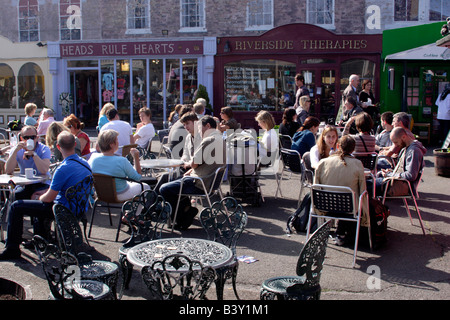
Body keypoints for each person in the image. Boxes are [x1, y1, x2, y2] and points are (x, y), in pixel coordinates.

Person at [0, 131, 92, 260]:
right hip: (78, 207)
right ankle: (40, 239)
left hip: (62, 210)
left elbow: (48, 198)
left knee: (16, 206)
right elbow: (62, 188)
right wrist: (42, 193)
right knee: (36, 201)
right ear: (75, 144)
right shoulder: (84, 163)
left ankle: (12, 249)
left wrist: (38, 197)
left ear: (58, 147)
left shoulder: (63, 168)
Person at [159, 115, 225, 230]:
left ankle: (181, 216)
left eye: (200, 128)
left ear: (208, 126)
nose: (199, 131)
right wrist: (191, 168)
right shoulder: (220, 138)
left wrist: (190, 166)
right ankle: (185, 211)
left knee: (164, 188)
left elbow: (194, 163)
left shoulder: (209, 140)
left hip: (199, 182)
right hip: (207, 180)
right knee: (168, 180)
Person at [314, 134, 369, 246]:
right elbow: (362, 191)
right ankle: (345, 233)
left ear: (338, 146)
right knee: (353, 197)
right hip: (349, 208)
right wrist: (365, 217)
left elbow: (316, 186)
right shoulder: (357, 164)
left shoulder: (323, 162)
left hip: (325, 205)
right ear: (353, 149)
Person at [91, 129, 150, 202]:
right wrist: (136, 158)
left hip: (100, 194)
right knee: (145, 187)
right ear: (111, 144)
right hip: (120, 194)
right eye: (117, 140)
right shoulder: (121, 161)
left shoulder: (93, 158)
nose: (118, 142)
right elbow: (137, 178)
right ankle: (137, 213)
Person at [375, 127, 425, 197]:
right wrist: (391, 172)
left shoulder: (413, 151)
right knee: (367, 183)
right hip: (396, 183)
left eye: (396, 142)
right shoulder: (407, 148)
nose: (395, 145)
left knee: (366, 185)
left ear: (404, 137)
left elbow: (410, 175)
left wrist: (390, 174)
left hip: (398, 186)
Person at [5, 125, 51, 200]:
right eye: (26, 138)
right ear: (21, 138)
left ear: (37, 138)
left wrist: (34, 155)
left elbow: (44, 170)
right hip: (25, 184)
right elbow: (8, 170)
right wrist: (15, 151)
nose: (30, 140)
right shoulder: (17, 150)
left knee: (36, 196)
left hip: (42, 183)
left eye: (32, 137)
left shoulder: (44, 149)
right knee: (16, 195)